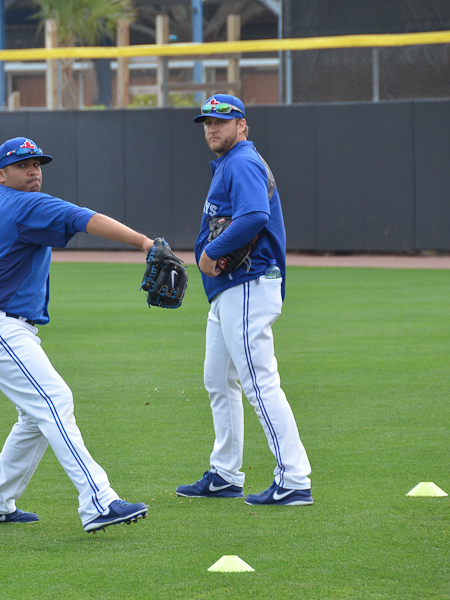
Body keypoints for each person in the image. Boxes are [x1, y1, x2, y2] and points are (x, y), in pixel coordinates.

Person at [0, 137, 157, 532]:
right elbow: (86, 219)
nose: (33, 170)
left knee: (36, 415)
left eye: (37, 163)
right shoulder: (25, 204)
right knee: (55, 399)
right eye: (22, 165)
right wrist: (144, 242)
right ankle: (99, 501)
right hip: (0, 327)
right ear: (0, 175)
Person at [175, 94, 313, 506]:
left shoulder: (242, 162)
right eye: (207, 122)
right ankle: (225, 474)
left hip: (248, 283)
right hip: (231, 291)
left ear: (242, 126)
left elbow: (255, 216)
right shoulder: (229, 164)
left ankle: (294, 478)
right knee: (218, 379)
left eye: (222, 120)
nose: (213, 127)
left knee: (258, 380)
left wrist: (210, 253)